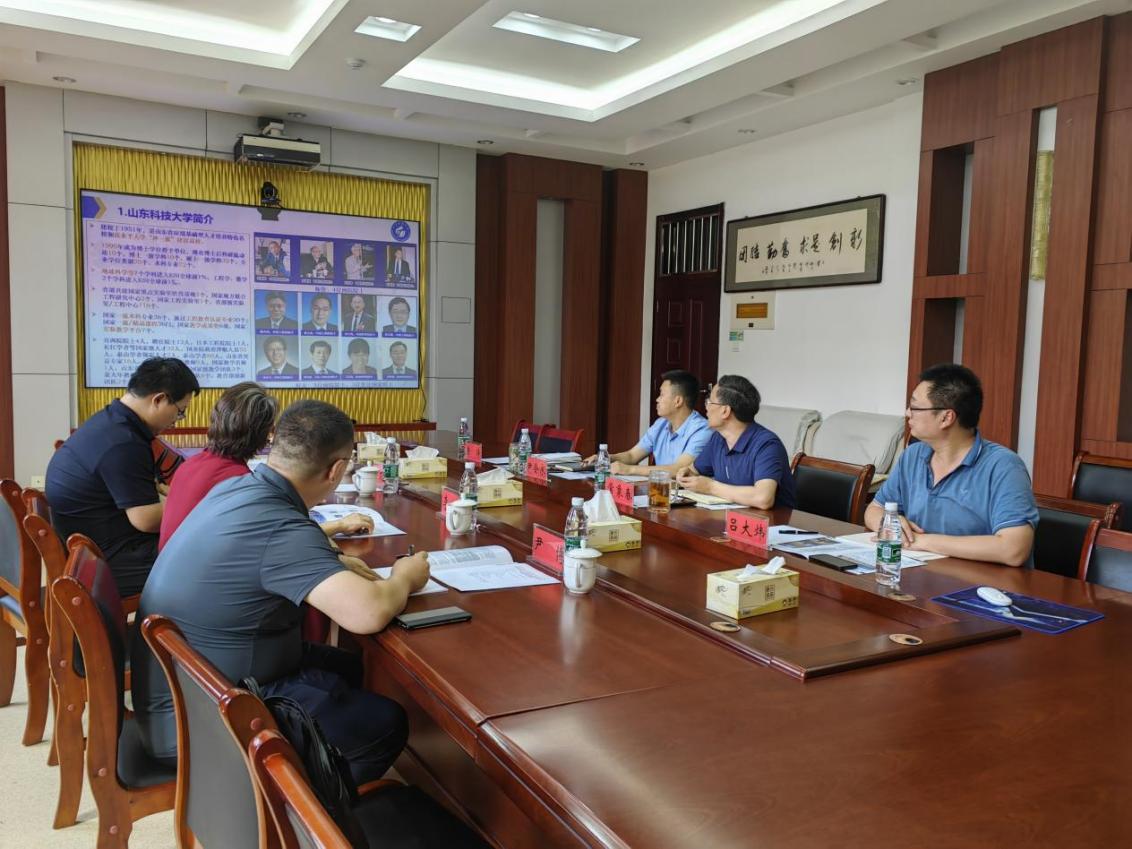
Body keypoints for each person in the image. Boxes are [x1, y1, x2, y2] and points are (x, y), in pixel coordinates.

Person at [132, 400, 430, 785]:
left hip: (187, 688)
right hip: (202, 720)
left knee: (347, 666)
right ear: (336, 469)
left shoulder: (238, 486)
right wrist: (405, 577)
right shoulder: (280, 526)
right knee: (386, 723)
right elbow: (367, 613)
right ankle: (291, 807)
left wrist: (331, 559)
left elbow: (265, 552)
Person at [45, 357, 200, 597]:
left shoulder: (110, 422)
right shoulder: (124, 443)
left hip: (85, 547)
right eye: (180, 412)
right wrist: (200, 503)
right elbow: (146, 519)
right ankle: (162, 621)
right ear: (159, 399)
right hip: (104, 560)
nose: (175, 421)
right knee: (206, 558)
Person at [159, 383, 371, 549]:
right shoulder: (238, 482)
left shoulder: (193, 463)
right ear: (270, 433)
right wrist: (340, 525)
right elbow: (277, 539)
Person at [864, 364, 1037, 567]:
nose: (908, 413)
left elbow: (1014, 549)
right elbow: (874, 509)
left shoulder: (1004, 466)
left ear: (946, 417)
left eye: (915, 407)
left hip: (982, 582)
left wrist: (921, 541)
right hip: (921, 574)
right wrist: (889, 524)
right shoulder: (913, 455)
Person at [675, 375, 795, 509]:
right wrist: (686, 475)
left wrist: (710, 487)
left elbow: (763, 498)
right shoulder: (718, 438)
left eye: (710, 401)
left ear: (725, 411)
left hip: (771, 520)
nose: (706, 407)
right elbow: (694, 470)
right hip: (731, 517)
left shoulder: (767, 444)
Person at [585, 370, 710, 475]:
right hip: (661, 490)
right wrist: (605, 458)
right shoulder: (661, 424)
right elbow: (632, 456)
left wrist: (630, 470)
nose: (657, 399)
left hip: (685, 494)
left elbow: (679, 469)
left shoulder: (702, 430)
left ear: (678, 401)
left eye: (661, 395)